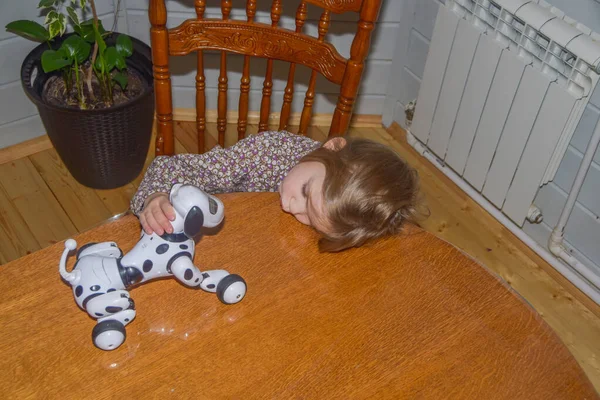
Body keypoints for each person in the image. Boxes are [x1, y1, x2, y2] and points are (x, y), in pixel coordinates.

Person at [130, 130, 424, 252]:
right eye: (306, 192)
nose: (291, 206)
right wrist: (157, 196)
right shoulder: (268, 151)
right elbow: (178, 167)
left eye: (310, 218)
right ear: (331, 147)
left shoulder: (352, 219)